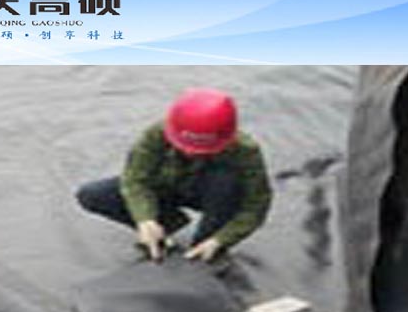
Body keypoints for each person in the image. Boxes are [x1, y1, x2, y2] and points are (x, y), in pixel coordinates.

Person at [76, 88, 272, 262]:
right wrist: (145, 219)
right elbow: (135, 180)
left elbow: (256, 205)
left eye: (202, 149)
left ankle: (204, 246)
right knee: (92, 194)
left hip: (210, 195)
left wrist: (220, 239)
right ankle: (165, 225)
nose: (191, 152)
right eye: (186, 146)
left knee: (227, 182)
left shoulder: (245, 151)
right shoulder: (157, 134)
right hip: (167, 186)